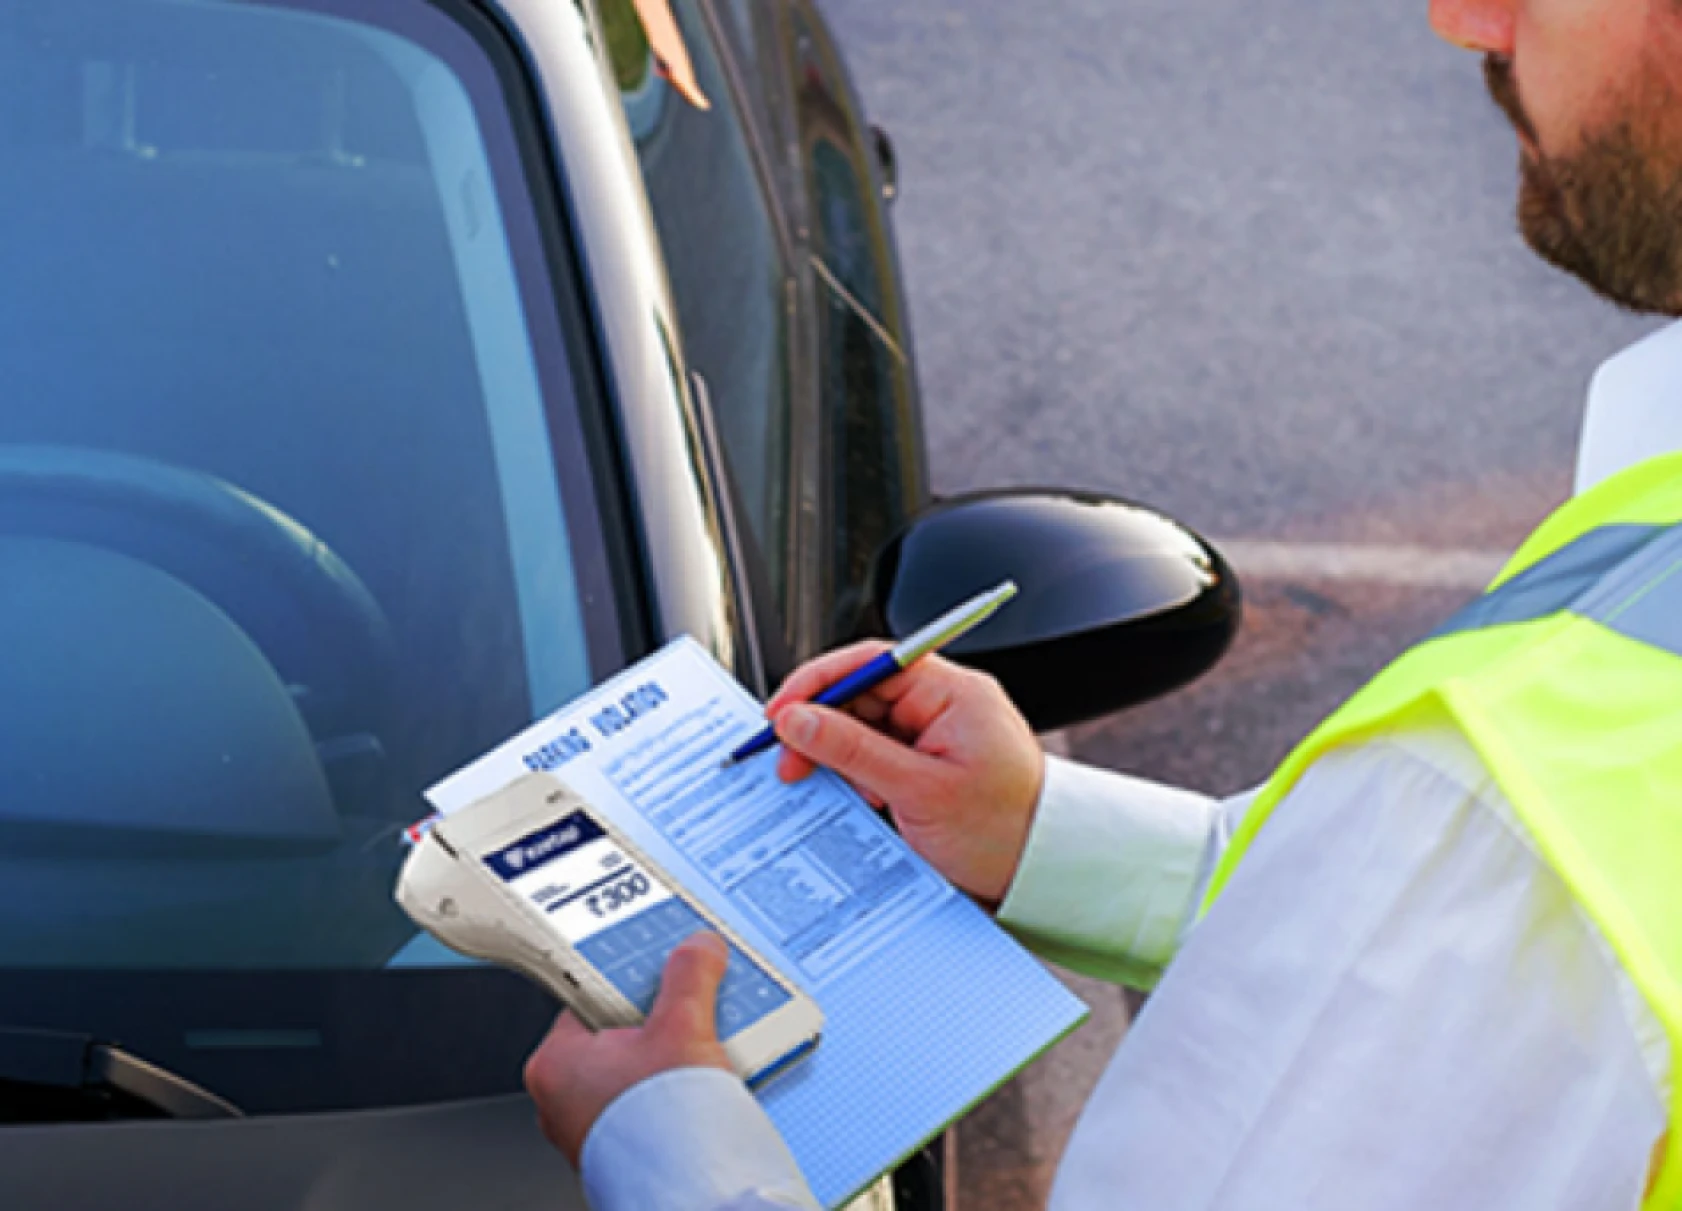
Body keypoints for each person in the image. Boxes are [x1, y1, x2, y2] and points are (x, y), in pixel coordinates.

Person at [523, 0, 1682, 1206]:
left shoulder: (1513, 826)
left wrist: (671, 1153)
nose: (1465, 21)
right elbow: (1424, 959)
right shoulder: (1503, 841)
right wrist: (1037, 835)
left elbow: (1465, 933)